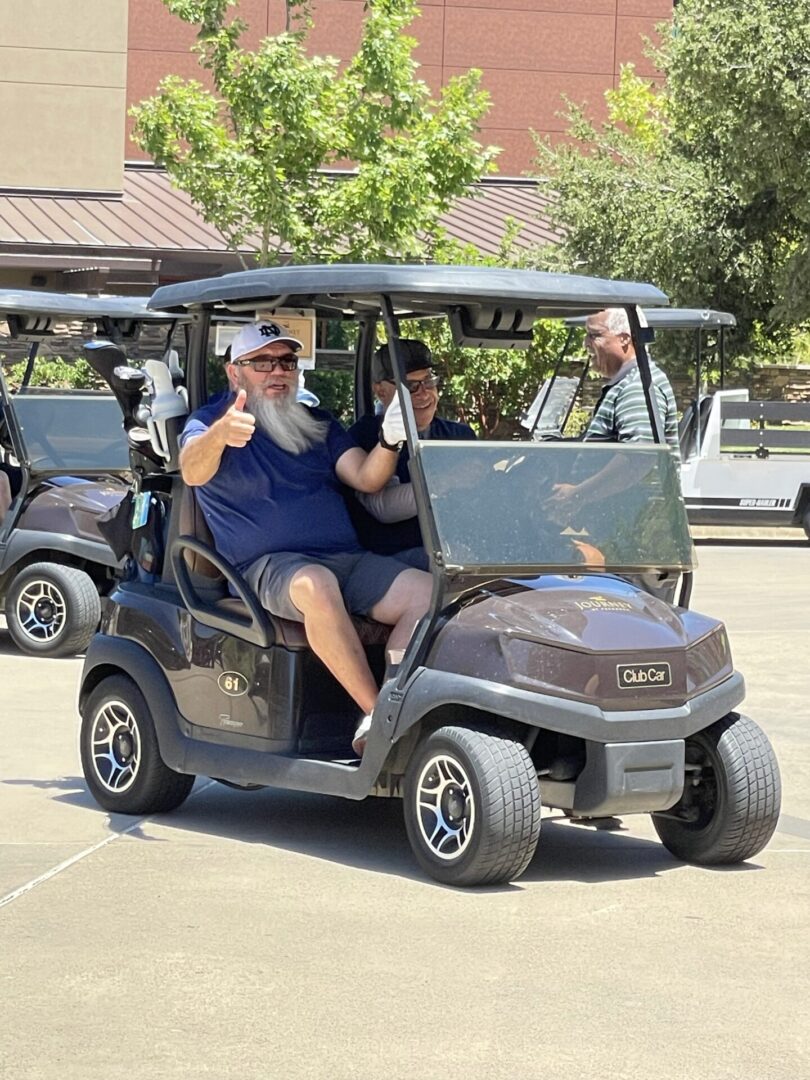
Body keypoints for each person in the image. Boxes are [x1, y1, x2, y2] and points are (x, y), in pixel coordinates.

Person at [178, 321, 432, 755]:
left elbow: (367, 479)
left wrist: (390, 440)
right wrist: (220, 435)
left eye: (287, 362)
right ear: (235, 373)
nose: (278, 372)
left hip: (344, 558)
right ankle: (379, 720)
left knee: (427, 592)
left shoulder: (317, 423)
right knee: (315, 584)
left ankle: (395, 703)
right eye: (262, 362)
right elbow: (191, 469)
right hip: (267, 567)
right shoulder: (211, 421)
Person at [347, 339, 476, 564]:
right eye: (410, 386)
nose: (424, 394)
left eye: (429, 381)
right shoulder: (365, 436)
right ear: (380, 390)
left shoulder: (460, 436)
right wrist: (449, 481)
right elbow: (383, 507)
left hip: (466, 552)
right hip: (395, 560)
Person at [548, 307, 680, 506]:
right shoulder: (628, 383)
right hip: (621, 526)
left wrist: (577, 495)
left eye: (594, 335)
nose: (586, 343)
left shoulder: (638, 386)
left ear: (625, 338)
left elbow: (639, 458)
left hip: (634, 527)